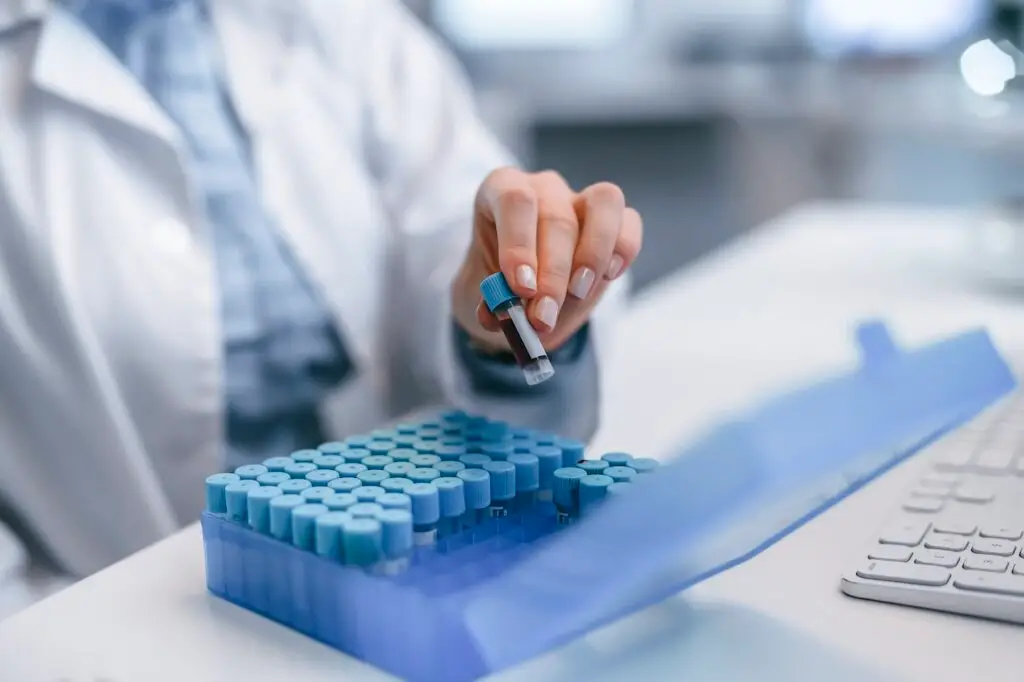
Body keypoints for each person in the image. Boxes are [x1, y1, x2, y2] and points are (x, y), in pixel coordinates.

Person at [0, 0, 643, 580]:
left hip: (388, 567)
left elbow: (455, 224)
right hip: (100, 607)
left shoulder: (341, 22)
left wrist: (499, 324)